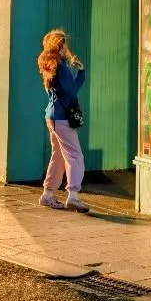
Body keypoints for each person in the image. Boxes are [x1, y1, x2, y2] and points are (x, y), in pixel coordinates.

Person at [37, 29, 89, 212]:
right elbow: (71, 89)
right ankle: (73, 195)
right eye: (65, 44)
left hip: (51, 116)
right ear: (59, 46)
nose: (67, 47)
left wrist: (69, 61)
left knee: (58, 155)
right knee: (75, 156)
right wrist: (81, 72)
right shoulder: (61, 68)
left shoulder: (50, 65)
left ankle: (48, 194)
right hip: (62, 118)